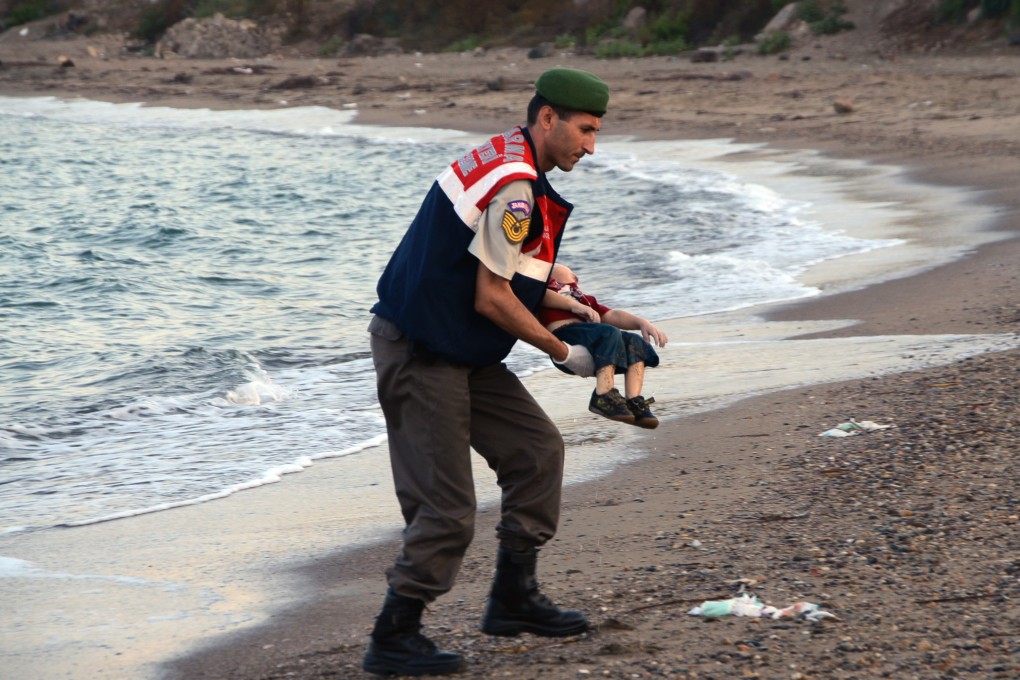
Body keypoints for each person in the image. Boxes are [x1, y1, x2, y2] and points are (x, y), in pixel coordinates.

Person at [363, 68, 610, 677]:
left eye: (597, 132)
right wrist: (561, 351)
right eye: (584, 130)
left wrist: (563, 292)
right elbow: (491, 298)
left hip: (463, 350)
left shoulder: (509, 158)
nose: (591, 146)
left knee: (536, 450)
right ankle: (394, 635)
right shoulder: (518, 189)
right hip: (421, 352)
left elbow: (504, 265)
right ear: (547, 117)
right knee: (446, 510)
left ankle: (511, 598)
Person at [539, 263, 668, 429]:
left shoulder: (584, 299)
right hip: (565, 334)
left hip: (593, 339)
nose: (575, 276)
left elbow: (612, 315)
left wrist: (641, 322)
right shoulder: (546, 291)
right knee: (609, 332)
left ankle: (633, 401)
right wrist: (575, 306)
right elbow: (541, 295)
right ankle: (603, 393)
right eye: (570, 272)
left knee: (634, 342)